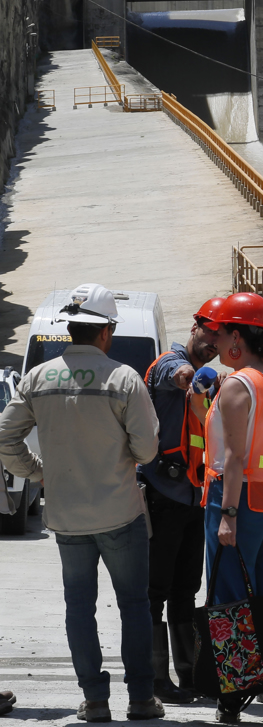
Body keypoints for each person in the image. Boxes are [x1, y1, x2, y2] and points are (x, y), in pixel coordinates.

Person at [0, 283, 165, 723]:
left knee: (79, 608)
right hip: (120, 513)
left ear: (69, 329)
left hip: (67, 518)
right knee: (134, 606)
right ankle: (142, 700)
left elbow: (4, 436)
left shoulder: (38, 378)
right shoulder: (124, 378)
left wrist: (40, 472)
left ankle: (94, 701)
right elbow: (147, 451)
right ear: (106, 332)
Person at [200, 293, 263, 725]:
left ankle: (231, 700)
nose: (215, 343)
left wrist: (228, 513)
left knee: (229, 599)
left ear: (238, 336)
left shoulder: (238, 385)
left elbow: (237, 458)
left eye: (220, 334)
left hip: (238, 502)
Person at [138, 297, 223, 704]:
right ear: (195, 328)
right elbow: (181, 375)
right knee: (156, 590)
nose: (213, 343)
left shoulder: (214, 378)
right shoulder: (170, 364)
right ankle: (155, 680)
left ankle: (189, 676)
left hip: (194, 497)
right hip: (163, 495)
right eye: (209, 334)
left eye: (221, 338)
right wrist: (197, 376)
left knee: (186, 590)